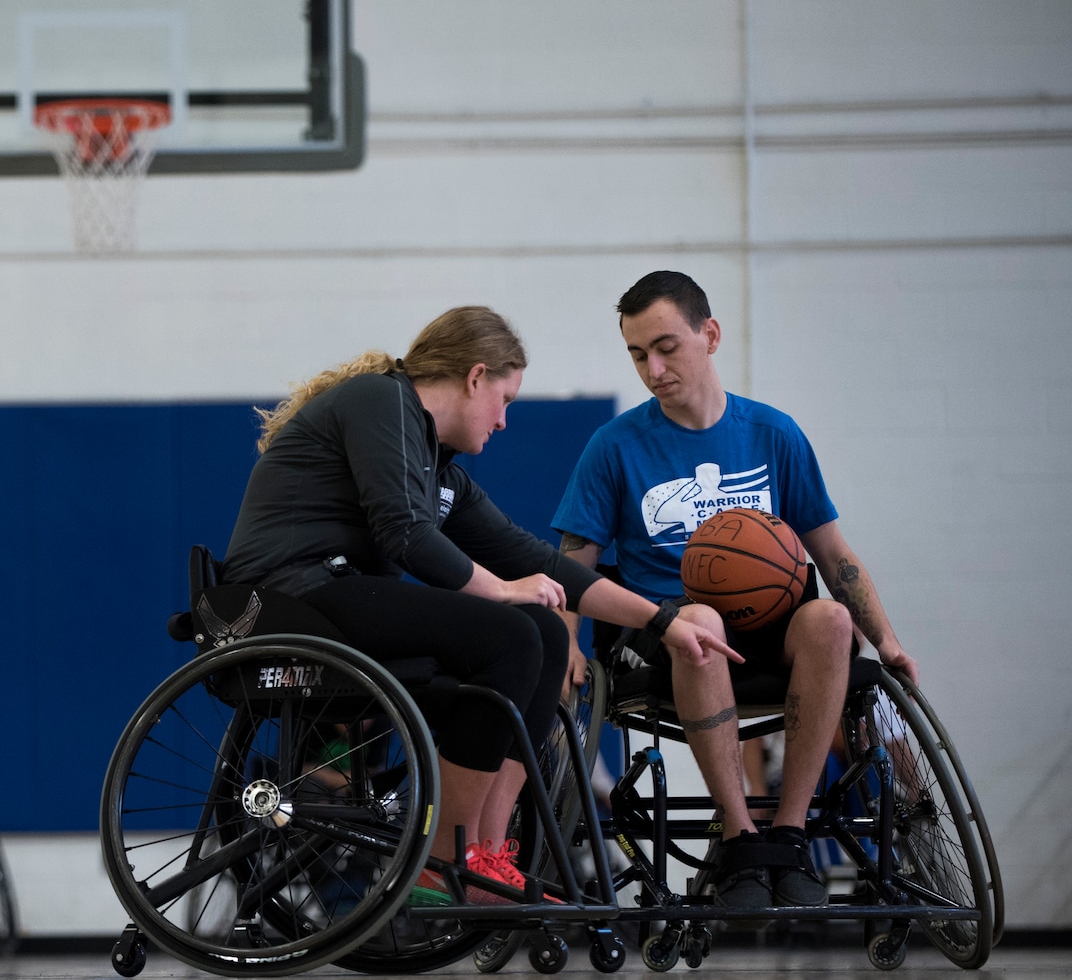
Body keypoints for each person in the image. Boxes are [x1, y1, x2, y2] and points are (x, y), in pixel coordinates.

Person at [222, 306, 737, 905]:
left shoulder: (439, 469)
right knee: (512, 633)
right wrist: (498, 590)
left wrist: (661, 619)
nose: (504, 420)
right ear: (474, 376)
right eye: (506, 398)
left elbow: (536, 560)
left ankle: (485, 857)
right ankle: (441, 859)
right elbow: (405, 534)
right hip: (287, 598)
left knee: (541, 630)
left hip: (337, 596)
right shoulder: (379, 400)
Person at [553, 271, 916, 909]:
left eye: (667, 347)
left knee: (831, 621)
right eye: (638, 354)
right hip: (669, 631)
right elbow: (571, 563)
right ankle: (742, 836)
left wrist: (885, 639)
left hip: (771, 626)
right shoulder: (613, 447)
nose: (653, 368)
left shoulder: (773, 433)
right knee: (701, 621)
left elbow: (833, 554)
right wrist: (567, 646)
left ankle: (789, 832)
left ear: (710, 335)